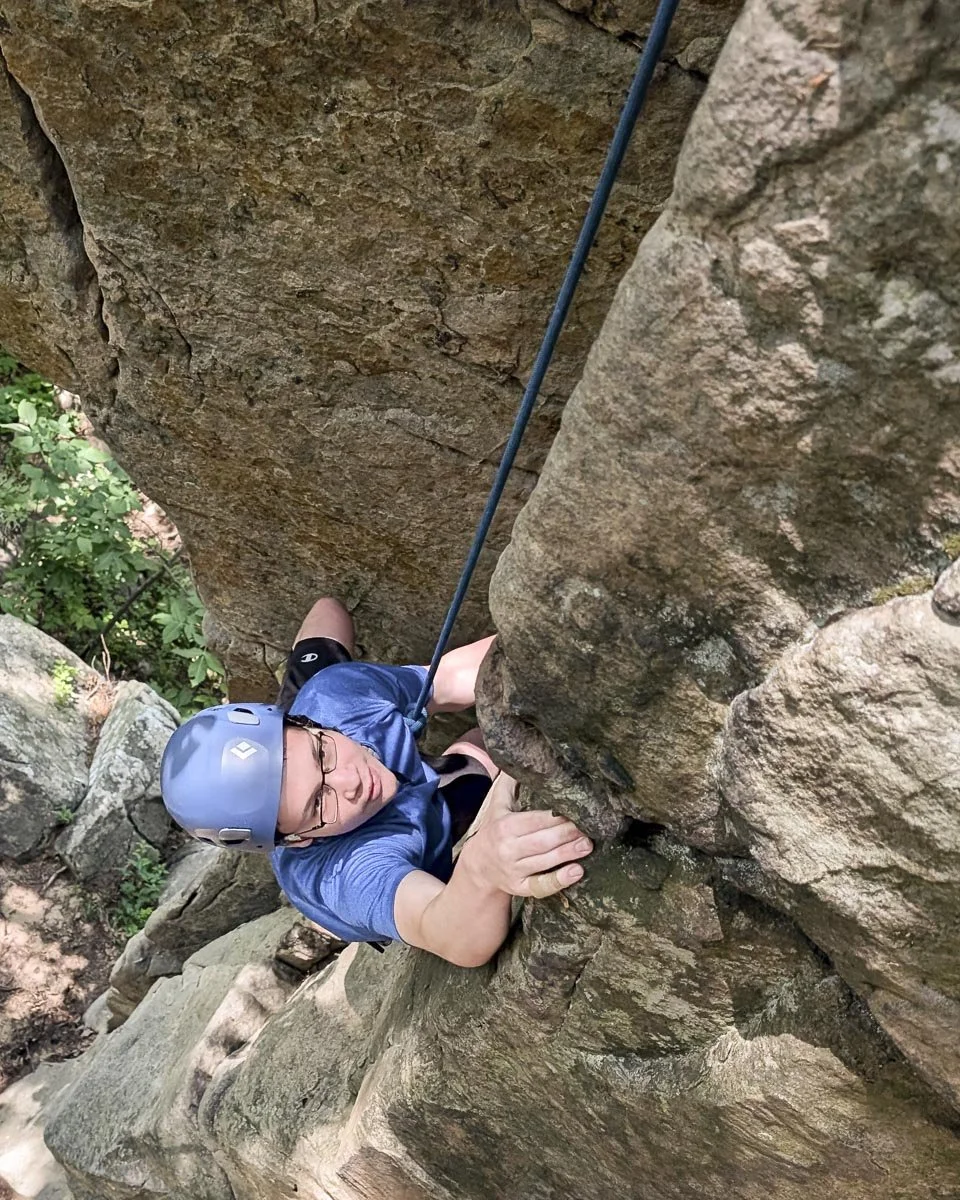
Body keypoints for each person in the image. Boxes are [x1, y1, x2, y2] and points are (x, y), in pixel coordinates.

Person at [161, 597, 593, 967]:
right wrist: (483, 870)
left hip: (326, 718)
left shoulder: (335, 699)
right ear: (296, 840)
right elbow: (449, 932)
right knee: (482, 757)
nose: (350, 781)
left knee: (328, 613)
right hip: (403, 825)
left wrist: (557, 635)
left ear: (305, 724)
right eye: (319, 804)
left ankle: (300, 734)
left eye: (323, 755)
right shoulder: (344, 873)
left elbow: (454, 677)